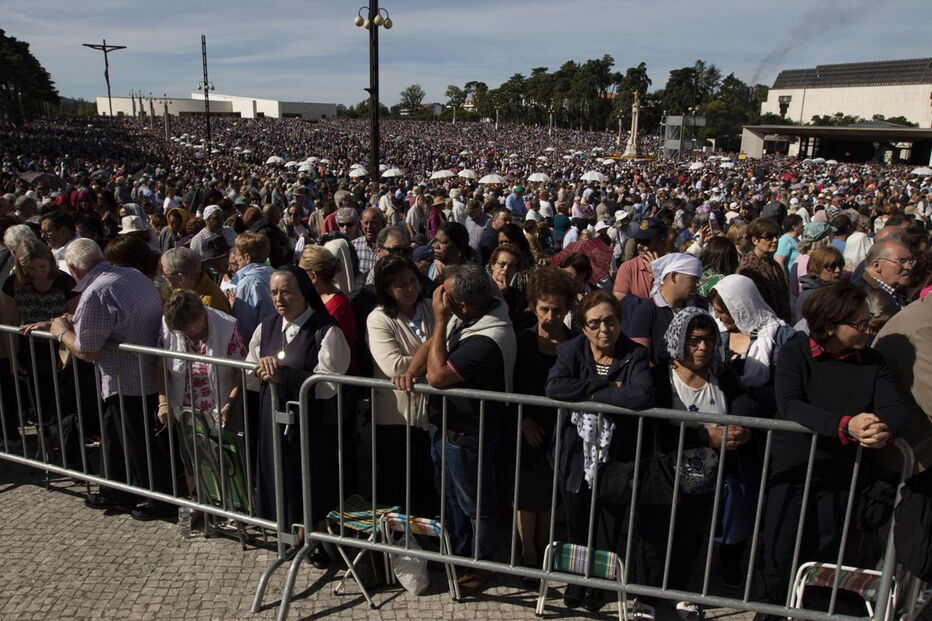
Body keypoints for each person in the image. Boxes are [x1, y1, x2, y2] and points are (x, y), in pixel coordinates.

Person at [758, 282, 908, 612]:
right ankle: (774, 612)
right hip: (795, 471)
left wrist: (879, 429)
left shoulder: (873, 362)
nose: (868, 329)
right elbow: (790, 405)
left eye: (869, 321)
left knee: (827, 555)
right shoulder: (795, 353)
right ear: (829, 325)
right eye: (858, 324)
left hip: (843, 477)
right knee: (781, 553)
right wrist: (846, 426)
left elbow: (895, 411)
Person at [545, 290, 655, 613]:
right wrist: (602, 389)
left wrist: (589, 395)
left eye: (609, 321)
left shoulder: (633, 354)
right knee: (577, 520)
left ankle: (600, 584)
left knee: (608, 523)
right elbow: (554, 387)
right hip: (575, 453)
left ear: (619, 321)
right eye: (594, 323)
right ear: (583, 327)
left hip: (616, 455)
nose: (603, 329)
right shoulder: (570, 350)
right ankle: (577, 580)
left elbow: (642, 394)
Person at [50, 239, 173, 520]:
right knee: (118, 437)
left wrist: (60, 331)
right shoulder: (132, 275)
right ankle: (118, 492)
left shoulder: (96, 292)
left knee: (137, 442)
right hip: (142, 372)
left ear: (72, 269)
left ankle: (161, 500)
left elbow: (87, 350)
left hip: (126, 377)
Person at [657, 308, 756, 616]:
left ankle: (682, 593)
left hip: (708, 482)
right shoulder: (662, 376)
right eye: (694, 340)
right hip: (665, 479)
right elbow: (658, 432)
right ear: (679, 340)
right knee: (659, 542)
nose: (702, 348)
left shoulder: (721, 374)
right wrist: (705, 437)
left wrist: (743, 428)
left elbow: (742, 405)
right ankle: (651, 597)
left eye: (709, 340)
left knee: (690, 542)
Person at [426, 263, 516, 591]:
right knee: (451, 501)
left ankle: (482, 565)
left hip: (469, 435)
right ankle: (460, 554)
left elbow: (436, 377)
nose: (439, 298)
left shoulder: (488, 338)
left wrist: (438, 319)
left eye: (445, 295)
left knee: (475, 505)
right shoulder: (476, 314)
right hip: (449, 430)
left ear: (462, 306)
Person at [504, 266, 575, 579]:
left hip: (560, 431)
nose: (550, 316)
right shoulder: (520, 342)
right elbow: (507, 387)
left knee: (549, 495)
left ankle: (544, 547)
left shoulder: (575, 345)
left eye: (557, 310)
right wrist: (523, 421)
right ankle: (526, 552)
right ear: (533, 306)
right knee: (526, 496)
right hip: (526, 432)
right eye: (544, 309)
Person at [366, 255, 437, 513]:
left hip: (430, 410)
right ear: (386, 288)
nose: (409, 288)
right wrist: (432, 347)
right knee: (396, 483)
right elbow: (393, 366)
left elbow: (452, 348)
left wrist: (416, 366)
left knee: (426, 483)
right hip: (396, 415)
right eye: (400, 284)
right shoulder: (379, 319)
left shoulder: (431, 307)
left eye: (412, 281)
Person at [157, 290, 245, 428]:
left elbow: (240, 370)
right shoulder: (169, 324)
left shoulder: (226, 327)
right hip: (182, 412)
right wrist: (163, 402)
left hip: (219, 411)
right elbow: (160, 363)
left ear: (202, 314)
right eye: (182, 331)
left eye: (190, 330)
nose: (186, 334)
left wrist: (229, 405)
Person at [709, 274, 792, 412]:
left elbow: (786, 385)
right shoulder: (715, 332)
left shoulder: (779, 335)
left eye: (720, 311)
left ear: (736, 309)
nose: (716, 316)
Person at [629, 253, 702, 366]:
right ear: (673, 276)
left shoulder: (696, 309)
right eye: (693, 278)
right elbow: (641, 360)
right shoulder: (645, 311)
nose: (698, 284)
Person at [300, 245, 359, 374]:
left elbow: (338, 350)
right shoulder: (313, 298)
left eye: (300, 272)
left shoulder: (338, 307)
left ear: (313, 277)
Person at [737, 217, 792, 323]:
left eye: (776, 236)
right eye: (768, 237)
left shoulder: (773, 263)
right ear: (755, 240)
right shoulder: (748, 268)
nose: (775, 240)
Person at [226, 232, 276, 342]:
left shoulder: (248, 283)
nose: (235, 259)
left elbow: (244, 328)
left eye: (238, 255)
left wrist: (233, 306)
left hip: (257, 344)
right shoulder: (273, 273)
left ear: (247, 258)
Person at [160, 247, 232, 315]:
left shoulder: (208, 306)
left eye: (165, 275)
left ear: (181, 278)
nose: (164, 277)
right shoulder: (188, 287)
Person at [851, 238, 914, 312]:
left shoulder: (905, 292)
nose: (909, 267)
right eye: (902, 261)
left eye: (911, 261)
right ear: (877, 265)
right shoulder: (857, 296)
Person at [613, 217, 668, 301]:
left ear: (662, 242)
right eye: (637, 240)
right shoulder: (628, 268)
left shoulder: (673, 267)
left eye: (645, 241)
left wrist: (657, 276)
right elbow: (620, 301)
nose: (639, 245)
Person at [794, 246, 844, 322]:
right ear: (818, 267)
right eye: (832, 266)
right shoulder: (811, 296)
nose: (838, 270)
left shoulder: (833, 289)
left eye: (840, 264)